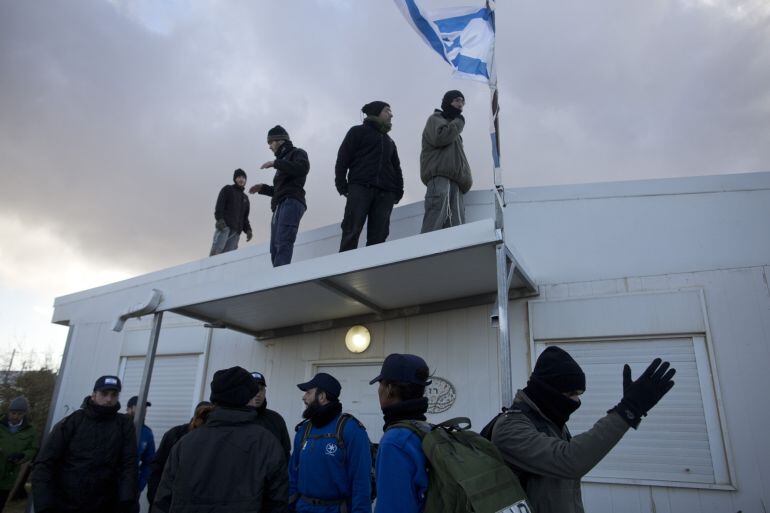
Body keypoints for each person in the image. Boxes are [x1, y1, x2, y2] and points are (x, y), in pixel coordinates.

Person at [489, 346, 676, 513]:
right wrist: (627, 411)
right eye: (571, 394)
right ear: (547, 392)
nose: (577, 401)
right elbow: (571, 460)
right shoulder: (510, 428)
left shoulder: (551, 423)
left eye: (579, 394)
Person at [152, 367, 288, 513]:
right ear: (246, 397)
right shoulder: (266, 442)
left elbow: (163, 500)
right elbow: (278, 501)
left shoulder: (185, 442)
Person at [31, 375, 138, 513]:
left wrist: (127, 501)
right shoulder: (72, 422)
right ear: (93, 395)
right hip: (66, 504)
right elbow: (45, 463)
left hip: (106, 505)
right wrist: (44, 505)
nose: (109, 399)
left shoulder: (124, 425)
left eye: (114, 394)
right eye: (104, 394)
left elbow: (129, 465)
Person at [289, 373, 371, 513]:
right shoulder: (304, 430)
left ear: (322, 396)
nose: (304, 397)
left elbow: (361, 481)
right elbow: (292, 474)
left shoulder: (351, 429)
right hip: (303, 508)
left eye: (308, 392)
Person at [335, 101, 404, 251]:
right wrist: (341, 184)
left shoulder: (389, 141)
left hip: (386, 193)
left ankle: (373, 273)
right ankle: (344, 271)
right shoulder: (357, 132)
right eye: (387, 111)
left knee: (379, 236)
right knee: (351, 231)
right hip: (360, 188)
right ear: (376, 112)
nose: (391, 115)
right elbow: (343, 158)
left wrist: (398, 191)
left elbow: (396, 168)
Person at [369, 354, 431, 513]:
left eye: (380, 384)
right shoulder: (426, 430)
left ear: (389, 389)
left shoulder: (395, 442)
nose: (379, 390)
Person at [249, 125, 310, 267]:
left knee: (283, 241)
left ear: (279, 140)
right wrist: (263, 188)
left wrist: (276, 163)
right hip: (279, 205)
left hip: (292, 201)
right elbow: (279, 189)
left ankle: (279, 281)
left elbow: (302, 169)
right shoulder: (282, 163)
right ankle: (277, 276)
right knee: (274, 247)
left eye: (270, 142)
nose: (269, 147)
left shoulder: (297, 153)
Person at [419, 90, 472, 233]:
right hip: (440, 177)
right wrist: (459, 122)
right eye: (457, 100)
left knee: (457, 225)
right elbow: (440, 137)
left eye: (462, 101)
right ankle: (425, 252)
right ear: (448, 102)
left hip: (456, 182)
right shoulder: (435, 119)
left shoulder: (453, 128)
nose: (460, 104)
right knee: (435, 218)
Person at [0, 396, 38, 510]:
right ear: (9, 411)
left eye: (19, 414)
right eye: (13, 413)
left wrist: (23, 456)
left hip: (8, 477)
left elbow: (33, 449)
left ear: (24, 414)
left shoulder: (30, 430)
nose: (15, 416)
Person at [249, 371, 291, 461]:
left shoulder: (276, 419)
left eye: (261, 389)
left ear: (265, 391)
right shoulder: (237, 419)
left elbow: (286, 453)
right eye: (253, 389)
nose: (257, 394)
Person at [210, 168, 253, 256]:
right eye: (239, 177)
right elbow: (220, 205)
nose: (241, 179)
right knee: (216, 252)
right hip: (225, 226)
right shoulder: (228, 189)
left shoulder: (245, 198)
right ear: (235, 179)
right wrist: (219, 219)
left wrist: (248, 230)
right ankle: (209, 268)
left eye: (243, 178)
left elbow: (245, 218)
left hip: (236, 231)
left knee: (228, 256)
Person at [126, 395, 156, 495]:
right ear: (129, 409)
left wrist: (140, 485)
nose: (143, 410)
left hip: (131, 488)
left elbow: (149, 462)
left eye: (145, 408)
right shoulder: (117, 426)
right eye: (139, 407)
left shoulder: (147, 433)